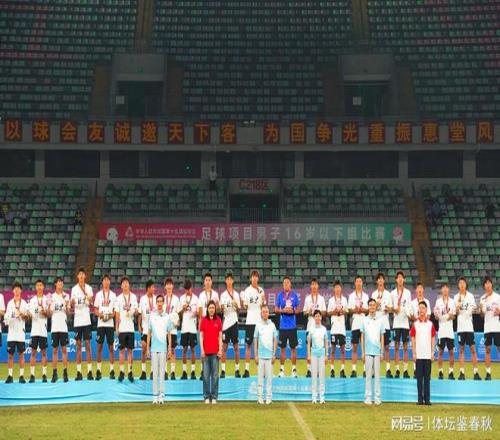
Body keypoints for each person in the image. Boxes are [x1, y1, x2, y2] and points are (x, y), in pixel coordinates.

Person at [146, 295, 173, 404]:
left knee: (162, 373)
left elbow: (169, 333)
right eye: (158, 301)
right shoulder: (152, 316)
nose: (160, 303)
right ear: (156, 303)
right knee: (155, 373)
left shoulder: (167, 317)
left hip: (163, 348)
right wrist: (147, 348)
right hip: (154, 348)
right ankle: (155, 396)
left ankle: (161, 396)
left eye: (161, 301)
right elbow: (149, 333)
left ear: (163, 303)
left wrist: (169, 348)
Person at [454, 276, 481, 380]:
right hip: (460, 327)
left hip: (469, 327)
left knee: (473, 349)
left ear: (466, 285)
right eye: (460, 283)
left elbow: (474, 308)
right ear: (458, 285)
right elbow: (455, 313)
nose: (462, 284)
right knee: (461, 350)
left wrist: (476, 308)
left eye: (463, 283)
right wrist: (457, 307)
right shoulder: (456, 297)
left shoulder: (470, 296)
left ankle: (476, 373)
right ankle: (462, 373)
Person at [410, 301, 436, 405]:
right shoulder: (415, 324)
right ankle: (420, 400)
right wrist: (414, 353)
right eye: (419, 308)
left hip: (428, 355)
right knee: (419, 379)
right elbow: (413, 339)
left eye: (423, 308)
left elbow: (433, 338)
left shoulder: (430, 324)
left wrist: (432, 352)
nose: (421, 310)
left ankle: (427, 399)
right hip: (419, 355)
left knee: (427, 379)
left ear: (426, 310)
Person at [71, 267, 94, 380]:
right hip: (77, 321)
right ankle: (79, 373)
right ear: (77, 276)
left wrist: (88, 298)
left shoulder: (89, 288)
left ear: (85, 276)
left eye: (82, 274)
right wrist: (73, 302)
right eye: (79, 274)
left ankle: (89, 372)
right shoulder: (74, 289)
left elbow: (91, 302)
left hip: (86, 320)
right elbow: (72, 303)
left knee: (88, 345)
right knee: (78, 346)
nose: (81, 276)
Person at [360, 299, 385, 405]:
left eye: (373, 305)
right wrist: (363, 352)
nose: (372, 307)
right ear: (368, 307)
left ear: (376, 307)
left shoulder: (380, 320)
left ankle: (377, 397)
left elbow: (382, 336)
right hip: (368, 352)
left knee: (377, 376)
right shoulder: (364, 320)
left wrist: (382, 352)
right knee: (368, 376)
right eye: (370, 305)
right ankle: (368, 397)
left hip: (377, 352)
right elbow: (362, 336)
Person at [242, 270, 266, 378]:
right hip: (250, 321)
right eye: (253, 276)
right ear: (250, 278)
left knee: (260, 346)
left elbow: (263, 306)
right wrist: (243, 303)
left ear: (258, 278)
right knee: (248, 345)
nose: (255, 278)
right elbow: (245, 306)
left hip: (259, 322)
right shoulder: (247, 291)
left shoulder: (261, 290)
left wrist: (263, 298)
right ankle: (247, 370)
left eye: (256, 276)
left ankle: (261, 370)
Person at [275, 276, 300, 378]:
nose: (286, 284)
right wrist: (283, 310)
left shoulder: (294, 295)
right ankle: (281, 370)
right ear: (283, 284)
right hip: (283, 326)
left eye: (287, 282)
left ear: (290, 284)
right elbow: (276, 309)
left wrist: (292, 311)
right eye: (284, 283)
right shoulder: (279, 295)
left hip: (292, 326)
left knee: (293, 349)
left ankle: (294, 370)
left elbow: (298, 309)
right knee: (282, 349)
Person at [115, 276, 138, 382]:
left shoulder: (133, 297)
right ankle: (121, 372)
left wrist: (134, 311)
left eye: (127, 282)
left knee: (130, 351)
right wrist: (116, 327)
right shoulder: (118, 298)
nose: (125, 284)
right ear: (121, 286)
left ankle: (129, 372)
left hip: (131, 328)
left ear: (129, 285)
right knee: (121, 351)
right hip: (122, 328)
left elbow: (136, 311)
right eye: (123, 283)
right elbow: (117, 314)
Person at [94, 274, 117, 380]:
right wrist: (101, 315)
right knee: (99, 347)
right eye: (104, 280)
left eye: (108, 280)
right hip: (101, 324)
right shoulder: (98, 295)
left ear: (110, 282)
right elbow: (95, 310)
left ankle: (112, 371)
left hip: (110, 325)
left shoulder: (113, 295)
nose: (106, 281)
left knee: (111, 348)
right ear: (102, 282)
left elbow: (115, 311)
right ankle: (98, 371)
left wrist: (109, 316)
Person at [5, 282, 29, 383]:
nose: (17, 290)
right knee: (10, 355)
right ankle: (10, 376)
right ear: (13, 291)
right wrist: (10, 317)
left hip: (20, 333)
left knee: (21, 354)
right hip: (11, 333)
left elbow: (27, 317)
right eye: (15, 289)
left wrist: (21, 314)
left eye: (18, 288)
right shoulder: (10, 303)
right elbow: (6, 318)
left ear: (21, 291)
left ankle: (21, 376)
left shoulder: (24, 303)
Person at [254, 304, 278, 405]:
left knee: (269, 379)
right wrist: (255, 355)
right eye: (263, 312)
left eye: (266, 312)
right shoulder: (258, 325)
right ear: (261, 313)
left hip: (269, 356)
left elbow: (275, 340)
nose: (265, 313)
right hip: (260, 356)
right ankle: (260, 398)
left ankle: (269, 398)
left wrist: (274, 354)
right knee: (260, 378)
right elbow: (255, 340)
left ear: (269, 313)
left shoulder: (272, 325)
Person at [371, 273, 393, 378]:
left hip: (385, 323)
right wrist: (376, 305)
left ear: (384, 281)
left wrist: (388, 309)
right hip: (375, 324)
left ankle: (388, 370)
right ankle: (374, 370)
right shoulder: (374, 294)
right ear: (377, 281)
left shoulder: (388, 294)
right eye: (378, 279)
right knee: (375, 347)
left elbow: (391, 308)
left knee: (387, 347)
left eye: (382, 279)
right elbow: (371, 309)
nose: (380, 281)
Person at [200, 300, 222, 404]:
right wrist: (202, 350)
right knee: (205, 376)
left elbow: (220, 337)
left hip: (215, 353)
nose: (211, 309)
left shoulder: (218, 320)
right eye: (210, 308)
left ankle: (214, 396)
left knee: (215, 376)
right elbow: (201, 336)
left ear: (215, 309)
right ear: (207, 309)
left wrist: (220, 350)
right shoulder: (204, 320)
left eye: (213, 308)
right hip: (206, 353)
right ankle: (206, 396)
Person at [390, 271, 412, 378]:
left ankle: (405, 370)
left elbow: (409, 306)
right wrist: (395, 309)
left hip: (405, 323)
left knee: (406, 347)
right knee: (396, 347)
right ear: (396, 279)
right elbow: (390, 308)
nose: (400, 279)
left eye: (401, 277)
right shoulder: (392, 293)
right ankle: (397, 370)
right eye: (398, 277)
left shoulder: (407, 293)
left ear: (404, 280)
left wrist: (409, 313)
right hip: (396, 323)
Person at [303, 278, 326, 377]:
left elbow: (324, 312)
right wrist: (308, 312)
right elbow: (304, 312)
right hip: (310, 327)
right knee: (309, 348)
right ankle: (309, 370)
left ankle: (318, 370)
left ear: (318, 286)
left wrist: (318, 313)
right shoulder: (307, 298)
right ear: (310, 286)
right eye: (312, 284)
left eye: (315, 284)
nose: (314, 286)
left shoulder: (321, 299)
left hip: (319, 328)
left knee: (319, 348)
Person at [220, 272, 241, 378]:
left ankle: (237, 370)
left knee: (236, 347)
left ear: (232, 281)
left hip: (234, 322)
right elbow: (221, 310)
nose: (229, 281)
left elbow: (239, 309)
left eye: (230, 279)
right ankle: (223, 371)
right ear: (225, 281)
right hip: (226, 323)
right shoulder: (223, 295)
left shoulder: (236, 294)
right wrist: (222, 307)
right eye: (227, 279)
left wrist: (235, 304)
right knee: (224, 347)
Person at [28, 279, 49, 383]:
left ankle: (44, 375)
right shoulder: (32, 300)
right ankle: (32, 375)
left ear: (43, 287)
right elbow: (29, 314)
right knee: (33, 353)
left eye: (41, 285)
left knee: (44, 353)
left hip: (43, 330)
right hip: (34, 330)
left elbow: (49, 314)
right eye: (38, 285)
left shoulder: (47, 299)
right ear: (36, 287)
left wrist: (44, 312)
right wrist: (30, 314)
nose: (39, 287)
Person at [49, 277, 70, 383]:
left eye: (62, 282)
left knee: (64, 350)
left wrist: (66, 305)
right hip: (54, 327)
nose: (60, 284)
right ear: (55, 284)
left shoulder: (67, 296)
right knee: (55, 351)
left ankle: (65, 373)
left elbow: (69, 313)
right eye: (58, 282)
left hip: (63, 327)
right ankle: (54, 374)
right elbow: (49, 314)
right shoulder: (51, 297)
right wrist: (50, 306)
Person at [434, 282, 456, 380]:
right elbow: (436, 316)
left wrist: (446, 316)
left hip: (450, 331)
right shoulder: (438, 302)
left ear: (448, 290)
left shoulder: (452, 301)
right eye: (443, 288)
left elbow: (453, 316)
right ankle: (440, 372)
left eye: (447, 288)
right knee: (440, 352)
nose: (445, 289)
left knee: (451, 352)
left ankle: (451, 372)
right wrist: (440, 316)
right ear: (441, 290)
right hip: (441, 331)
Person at [408, 282, 431, 378]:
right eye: (418, 288)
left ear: (423, 290)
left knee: (425, 347)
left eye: (421, 288)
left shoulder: (427, 302)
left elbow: (428, 315)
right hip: (416, 327)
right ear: (416, 290)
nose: (420, 290)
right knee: (415, 348)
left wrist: (422, 320)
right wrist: (416, 320)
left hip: (425, 328)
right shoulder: (412, 302)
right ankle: (415, 370)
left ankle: (426, 371)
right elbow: (410, 316)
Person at [348, 275, 369, 378]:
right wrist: (355, 310)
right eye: (357, 281)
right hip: (355, 323)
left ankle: (365, 370)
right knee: (355, 347)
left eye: (360, 281)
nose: (359, 283)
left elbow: (368, 310)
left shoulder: (365, 296)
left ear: (362, 283)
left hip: (364, 323)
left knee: (364, 348)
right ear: (355, 283)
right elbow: (349, 310)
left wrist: (362, 310)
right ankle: (354, 370)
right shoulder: (351, 296)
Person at [479, 276, 499, 380]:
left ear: (491, 284)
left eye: (489, 283)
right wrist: (480, 310)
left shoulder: (498, 297)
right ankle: (488, 374)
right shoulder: (482, 298)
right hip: (487, 328)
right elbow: (482, 315)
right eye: (485, 283)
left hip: (497, 327)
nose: (487, 285)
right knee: (487, 350)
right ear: (484, 286)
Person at [327, 280, 348, 378]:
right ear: (334, 289)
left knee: (343, 350)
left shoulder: (344, 299)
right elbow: (328, 313)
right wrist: (335, 312)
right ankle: (332, 370)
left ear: (341, 288)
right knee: (333, 350)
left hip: (342, 328)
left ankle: (342, 370)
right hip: (334, 328)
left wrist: (342, 311)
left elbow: (347, 311)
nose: (337, 289)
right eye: (336, 287)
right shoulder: (331, 300)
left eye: (339, 287)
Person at [179, 279, 199, 380]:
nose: (187, 291)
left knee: (193, 350)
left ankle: (193, 372)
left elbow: (199, 312)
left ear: (191, 288)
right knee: (184, 350)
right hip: (184, 328)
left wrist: (196, 313)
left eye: (189, 289)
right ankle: (184, 372)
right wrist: (183, 308)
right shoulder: (181, 298)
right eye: (186, 289)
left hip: (192, 328)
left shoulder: (196, 299)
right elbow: (179, 314)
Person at [308, 310, 328, 404]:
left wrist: (326, 355)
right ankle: (314, 397)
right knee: (314, 375)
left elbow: (326, 342)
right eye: (316, 316)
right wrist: (309, 355)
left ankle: (322, 397)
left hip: (322, 354)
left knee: (322, 376)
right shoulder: (311, 329)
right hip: (314, 354)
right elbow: (309, 343)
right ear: (314, 318)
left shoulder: (324, 329)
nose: (317, 318)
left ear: (321, 317)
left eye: (319, 316)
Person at [139, 280, 156, 380]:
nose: (154, 289)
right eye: (152, 287)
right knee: (143, 348)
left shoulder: (156, 299)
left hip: (154, 330)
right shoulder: (142, 299)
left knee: (153, 351)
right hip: (145, 328)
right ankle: (143, 372)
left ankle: (153, 372)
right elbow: (140, 313)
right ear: (148, 288)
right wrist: (139, 325)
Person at [164, 277, 180, 380]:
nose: (169, 286)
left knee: (173, 350)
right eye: (167, 284)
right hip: (164, 330)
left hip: (173, 330)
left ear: (172, 286)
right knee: (165, 350)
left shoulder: (176, 299)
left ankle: (173, 372)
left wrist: (177, 323)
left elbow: (178, 315)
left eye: (170, 284)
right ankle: (165, 372)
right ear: (165, 287)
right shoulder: (162, 299)